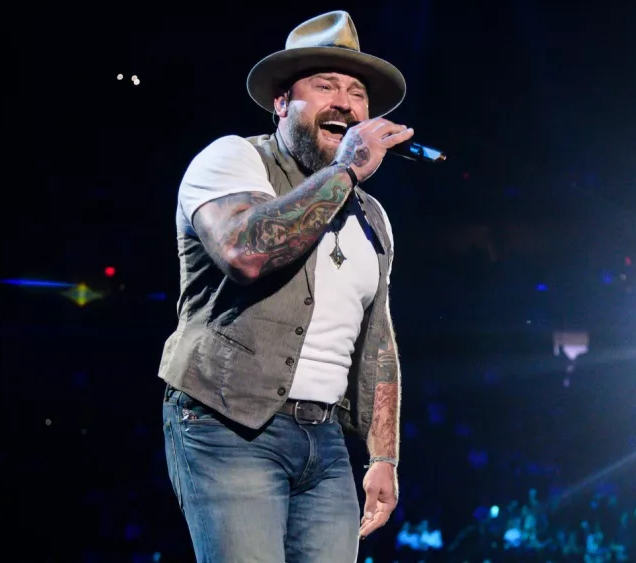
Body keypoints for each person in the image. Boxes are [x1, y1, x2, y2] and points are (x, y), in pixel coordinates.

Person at [156, 10, 412, 562]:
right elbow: (247, 252)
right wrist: (345, 171)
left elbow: (379, 342)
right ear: (281, 102)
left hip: (325, 442)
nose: (344, 101)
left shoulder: (374, 217)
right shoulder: (233, 159)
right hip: (229, 423)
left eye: (356, 92)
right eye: (324, 86)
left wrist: (383, 457)